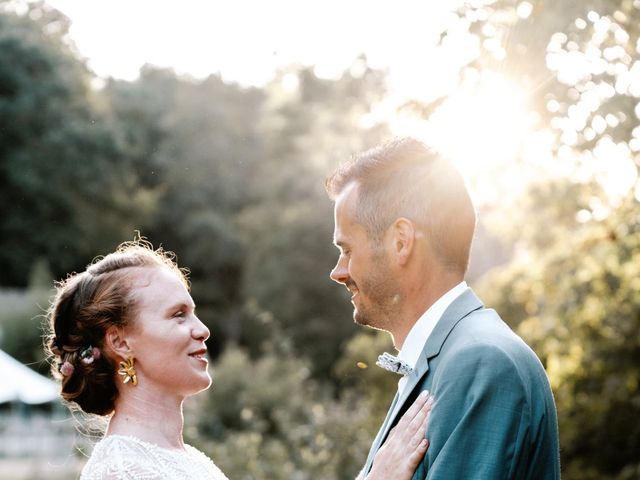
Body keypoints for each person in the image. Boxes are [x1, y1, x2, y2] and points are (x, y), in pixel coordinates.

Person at [45, 240, 433, 480]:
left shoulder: (187, 459)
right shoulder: (124, 471)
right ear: (120, 342)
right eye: (178, 315)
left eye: (194, 312)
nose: (202, 330)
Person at [326, 138, 561, 479]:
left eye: (346, 249)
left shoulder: (481, 362)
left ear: (401, 242)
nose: (338, 272)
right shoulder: (445, 360)